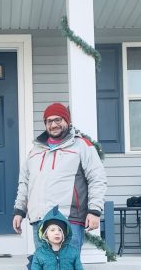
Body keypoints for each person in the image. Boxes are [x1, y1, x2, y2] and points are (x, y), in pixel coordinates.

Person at [12, 102, 108, 252]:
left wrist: (94, 211)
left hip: (69, 219)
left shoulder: (82, 146)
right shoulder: (35, 151)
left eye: (58, 120)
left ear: (67, 121)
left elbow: (97, 178)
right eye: (49, 121)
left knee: (67, 269)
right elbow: (25, 182)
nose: (54, 124)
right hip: (40, 220)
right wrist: (19, 211)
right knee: (45, 268)